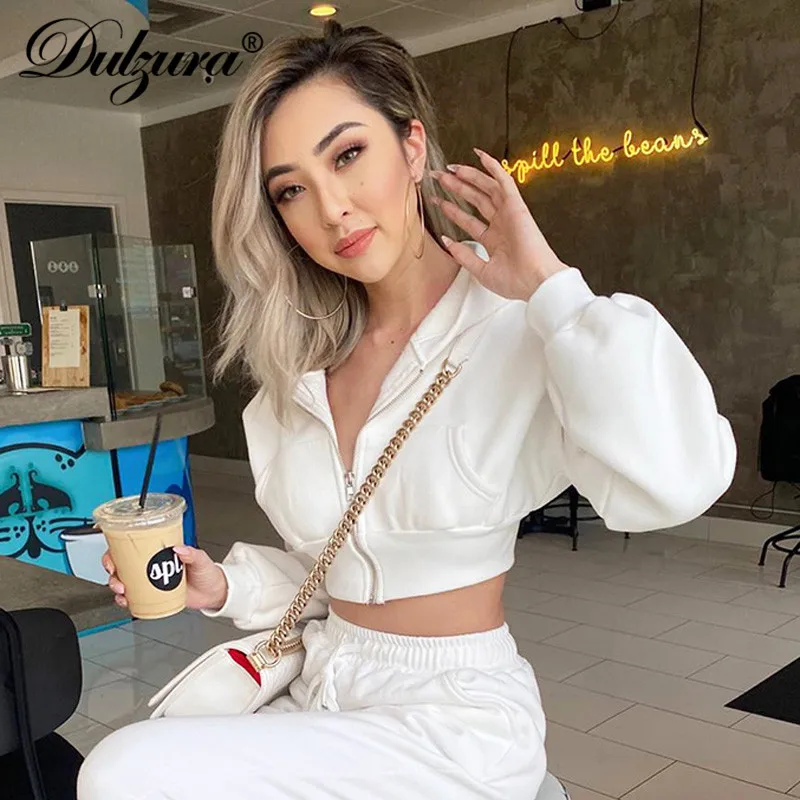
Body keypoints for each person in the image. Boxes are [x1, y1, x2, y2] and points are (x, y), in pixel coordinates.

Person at [77, 20, 736, 800]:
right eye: (291, 190)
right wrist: (222, 586)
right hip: (324, 684)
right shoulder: (299, 373)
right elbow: (336, 574)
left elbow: (676, 483)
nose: (332, 209)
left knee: (122, 772)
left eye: (347, 155)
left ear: (413, 148)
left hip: (454, 718)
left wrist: (552, 288)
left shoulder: (519, 330)